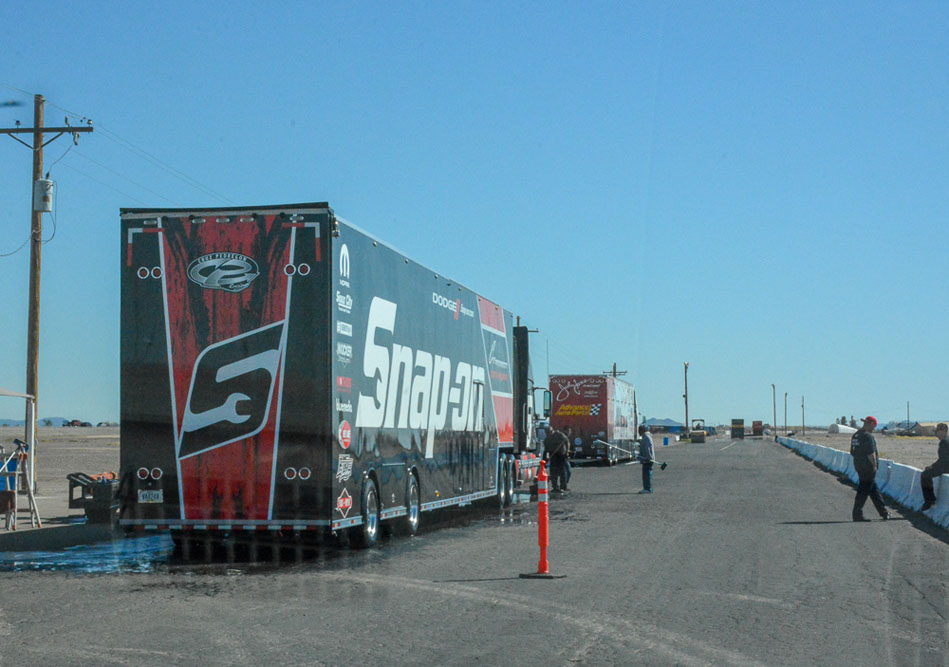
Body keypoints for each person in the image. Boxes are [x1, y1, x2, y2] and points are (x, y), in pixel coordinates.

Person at [850, 416, 889, 521]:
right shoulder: (868, 436)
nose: (874, 429)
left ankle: (884, 513)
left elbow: (852, 452)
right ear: (871, 424)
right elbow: (871, 453)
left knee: (873, 489)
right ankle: (857, 514)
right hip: (868, 467)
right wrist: (874, 465)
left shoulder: (856, 435)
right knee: (863, 490)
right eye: (874, 426)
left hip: (859, 466)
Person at [921, 422, 949, 511]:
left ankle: (929, 500)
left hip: (946, 467)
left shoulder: (944, 442)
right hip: (945, 465)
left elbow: (943, 460)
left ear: (944, 431)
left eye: (938, 431)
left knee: (925, 475)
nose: (936, 434)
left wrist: (932, 467)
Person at [544, 427, 569, 493]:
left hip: (561, 455)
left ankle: (563, 487)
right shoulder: (546, 440)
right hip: (553, 455)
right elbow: (546, 451)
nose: (548, 434)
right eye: (547, 433)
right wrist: (545, 460)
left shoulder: (559, 435)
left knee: (562, 471)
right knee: (553, 472)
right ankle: (555, 487)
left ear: (552, 431)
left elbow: (566, 441)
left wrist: (567, 452)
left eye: (549, 432)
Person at [637, 424, 655, 494]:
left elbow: (648, 448)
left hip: (648, 459)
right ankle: (648, 487)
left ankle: (647, 488)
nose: (639, 432)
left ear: (642, 430)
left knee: (646, 474)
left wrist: (648, 457)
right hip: (646, 458)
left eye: (640, 430)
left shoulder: (646, 437)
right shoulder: (646, 436)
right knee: (646, 473)